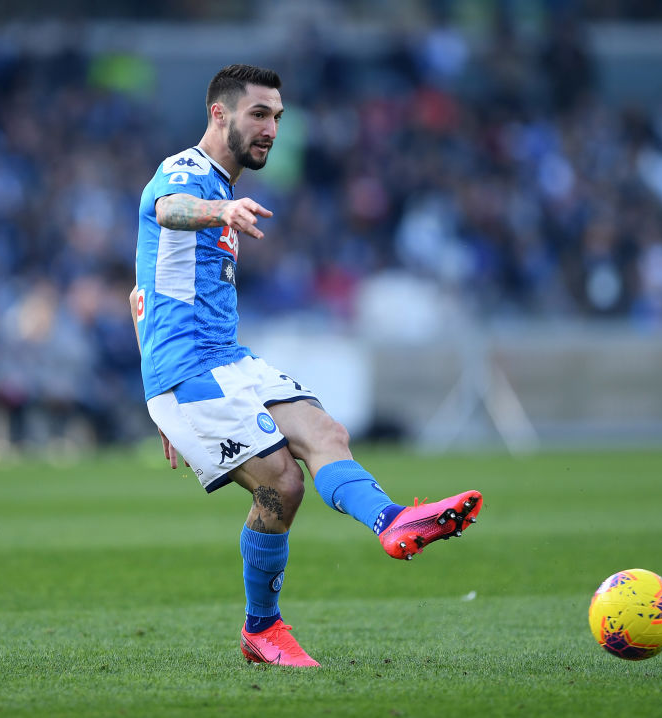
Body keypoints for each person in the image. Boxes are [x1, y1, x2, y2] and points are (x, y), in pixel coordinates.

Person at [130, 64, 482, 667]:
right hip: (188, 371)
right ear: (220, 113)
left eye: (278, 118)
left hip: (226, 358)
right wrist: (219, 213)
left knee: (326, 433)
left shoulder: (222, 186)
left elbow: (139, 296)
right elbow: (166, 207)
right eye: (259, 115)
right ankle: (261, 629)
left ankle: (393, 521)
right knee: (282, 482)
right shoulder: (189, 174)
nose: (272, 129)